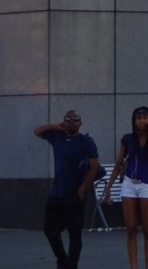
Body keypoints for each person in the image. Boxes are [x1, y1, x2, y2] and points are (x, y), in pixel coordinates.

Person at [103, 106, 148, 269]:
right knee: (131, 228)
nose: (141, 121)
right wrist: (109, 187)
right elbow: (119, 164)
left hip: (147, 185)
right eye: (138, 117)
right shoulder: (127, 139)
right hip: (129, 184)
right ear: (133, 121)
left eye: (144, 117)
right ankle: (133, 266)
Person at [34, 110, 100, 269]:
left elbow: (94, 166)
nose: (71, 122)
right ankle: (62, 260)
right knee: (50, 230)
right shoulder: (57, 137)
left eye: (75, 120)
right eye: (68, 120)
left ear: (80, 123)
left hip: (75, 193)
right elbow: (37, 131)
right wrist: (56, 126)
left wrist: (83, 188)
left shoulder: (86, 141)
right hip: (56, 192)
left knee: (74, 233)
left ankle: (72, 265)